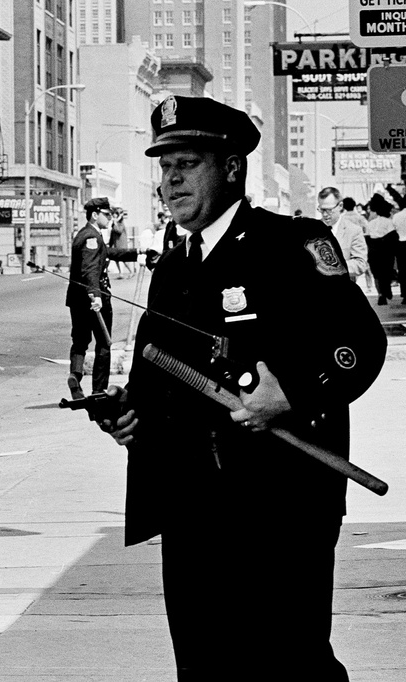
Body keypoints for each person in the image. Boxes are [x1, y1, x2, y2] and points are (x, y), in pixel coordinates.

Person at [103, 96, 386, 681]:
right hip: (189, 504)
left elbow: (360, 345)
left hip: (280, 503)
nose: (170, 179)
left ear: (232, 168)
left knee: (289, 662)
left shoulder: (292, 243)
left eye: (187, 163)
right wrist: (130, 416)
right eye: (164, 165)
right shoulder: (172, 267)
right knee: (205, 665)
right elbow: (156, 380)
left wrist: (295, 392)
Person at [65, 197, 137, 400]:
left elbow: (108, 253)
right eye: (106, 215)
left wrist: (138, 254)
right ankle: (98, 390)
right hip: (95, 300)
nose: (109, 218)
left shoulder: (85, 234)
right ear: (95, 215)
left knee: (79, 341)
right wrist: (95, 296)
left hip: (77, 300)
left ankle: (75, 376)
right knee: (104, 344)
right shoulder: (92, 237)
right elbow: (90, 269)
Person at [317, 188, 368, 284]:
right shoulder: (313, 229)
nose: (324, 214)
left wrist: (331, 268)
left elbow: (361, 264)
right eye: (321, 209)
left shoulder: (354, 231)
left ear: (340, 206)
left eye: (329, 210)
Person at [365, 192, 397, 305]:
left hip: (373, 250)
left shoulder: (371, 223)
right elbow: (393, 236)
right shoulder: (389, 222)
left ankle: (380, 294)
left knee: (377, 274)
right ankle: (386, 290)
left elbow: (367, 237)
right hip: (386, 251)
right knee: (386, 271)